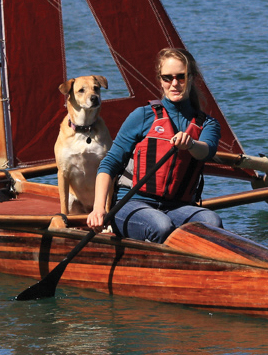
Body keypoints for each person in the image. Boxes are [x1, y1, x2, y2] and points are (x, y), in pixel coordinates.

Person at [86, 47, 223, 242]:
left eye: (181, 77)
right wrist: (98, 209)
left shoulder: (207, 124)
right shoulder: (142, 116)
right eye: (167, 78)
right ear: (160, 80)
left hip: (178, 207)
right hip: (131, 205)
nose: (174, 83)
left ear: (191, 78)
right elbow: (109, 165)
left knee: (212, 221)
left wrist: (191, 144)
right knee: (160, 226)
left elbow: (206, 151)